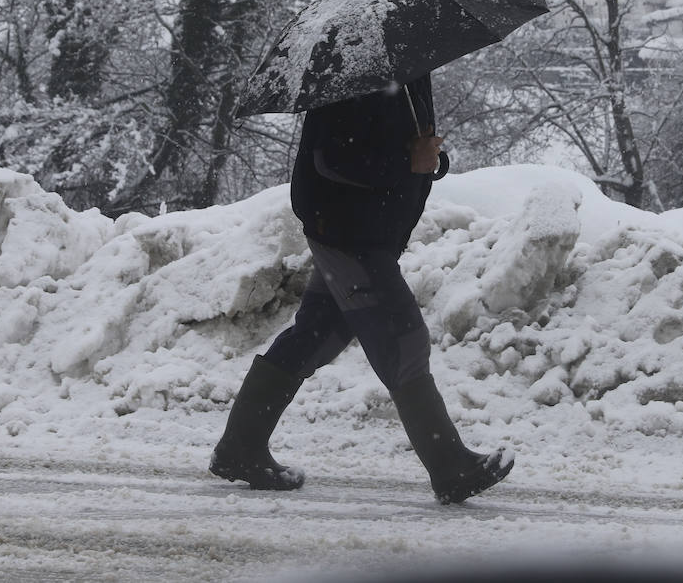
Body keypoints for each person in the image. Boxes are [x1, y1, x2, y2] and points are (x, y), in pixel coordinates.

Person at [209, 74, 513, 504]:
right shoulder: (352, 73)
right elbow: (332, 159)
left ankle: (239, 448)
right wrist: (409, 163)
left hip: (370, 232)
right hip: (349, 233)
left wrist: (428, 161)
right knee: (403, 338)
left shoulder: (406, 66)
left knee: (315, 336)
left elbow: (401, 144)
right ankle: (450, 466)